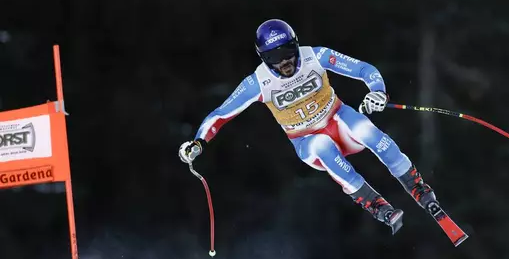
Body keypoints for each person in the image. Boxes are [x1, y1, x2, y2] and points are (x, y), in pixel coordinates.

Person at [178, 19, 438, 234]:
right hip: (307, 141)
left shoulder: (316, 56)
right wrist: (199, 142)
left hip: (338, 120)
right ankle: (377, 205)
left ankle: (416, 186)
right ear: (262, 57)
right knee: (323, 145)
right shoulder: (258, 82)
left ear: (296, 45)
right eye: (274, 57)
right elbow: (221, 114)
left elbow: (363, 69)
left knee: (366, 130)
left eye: (287, 52)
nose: (284, 63)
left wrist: (377, 92)